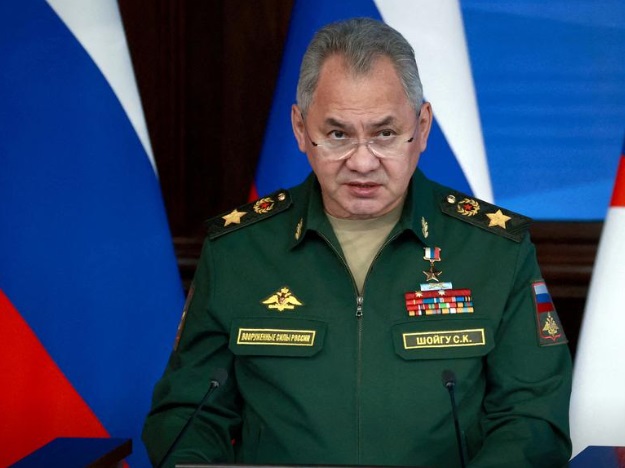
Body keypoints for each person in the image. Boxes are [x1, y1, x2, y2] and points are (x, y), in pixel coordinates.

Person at [143, 17, 572, 468]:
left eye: (385, 134)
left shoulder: (495, 251)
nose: (363, 162)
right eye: (338, 135)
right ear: (300, 129)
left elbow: (532, 419)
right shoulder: (239, 251)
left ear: (423, 127)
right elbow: (189, 414)